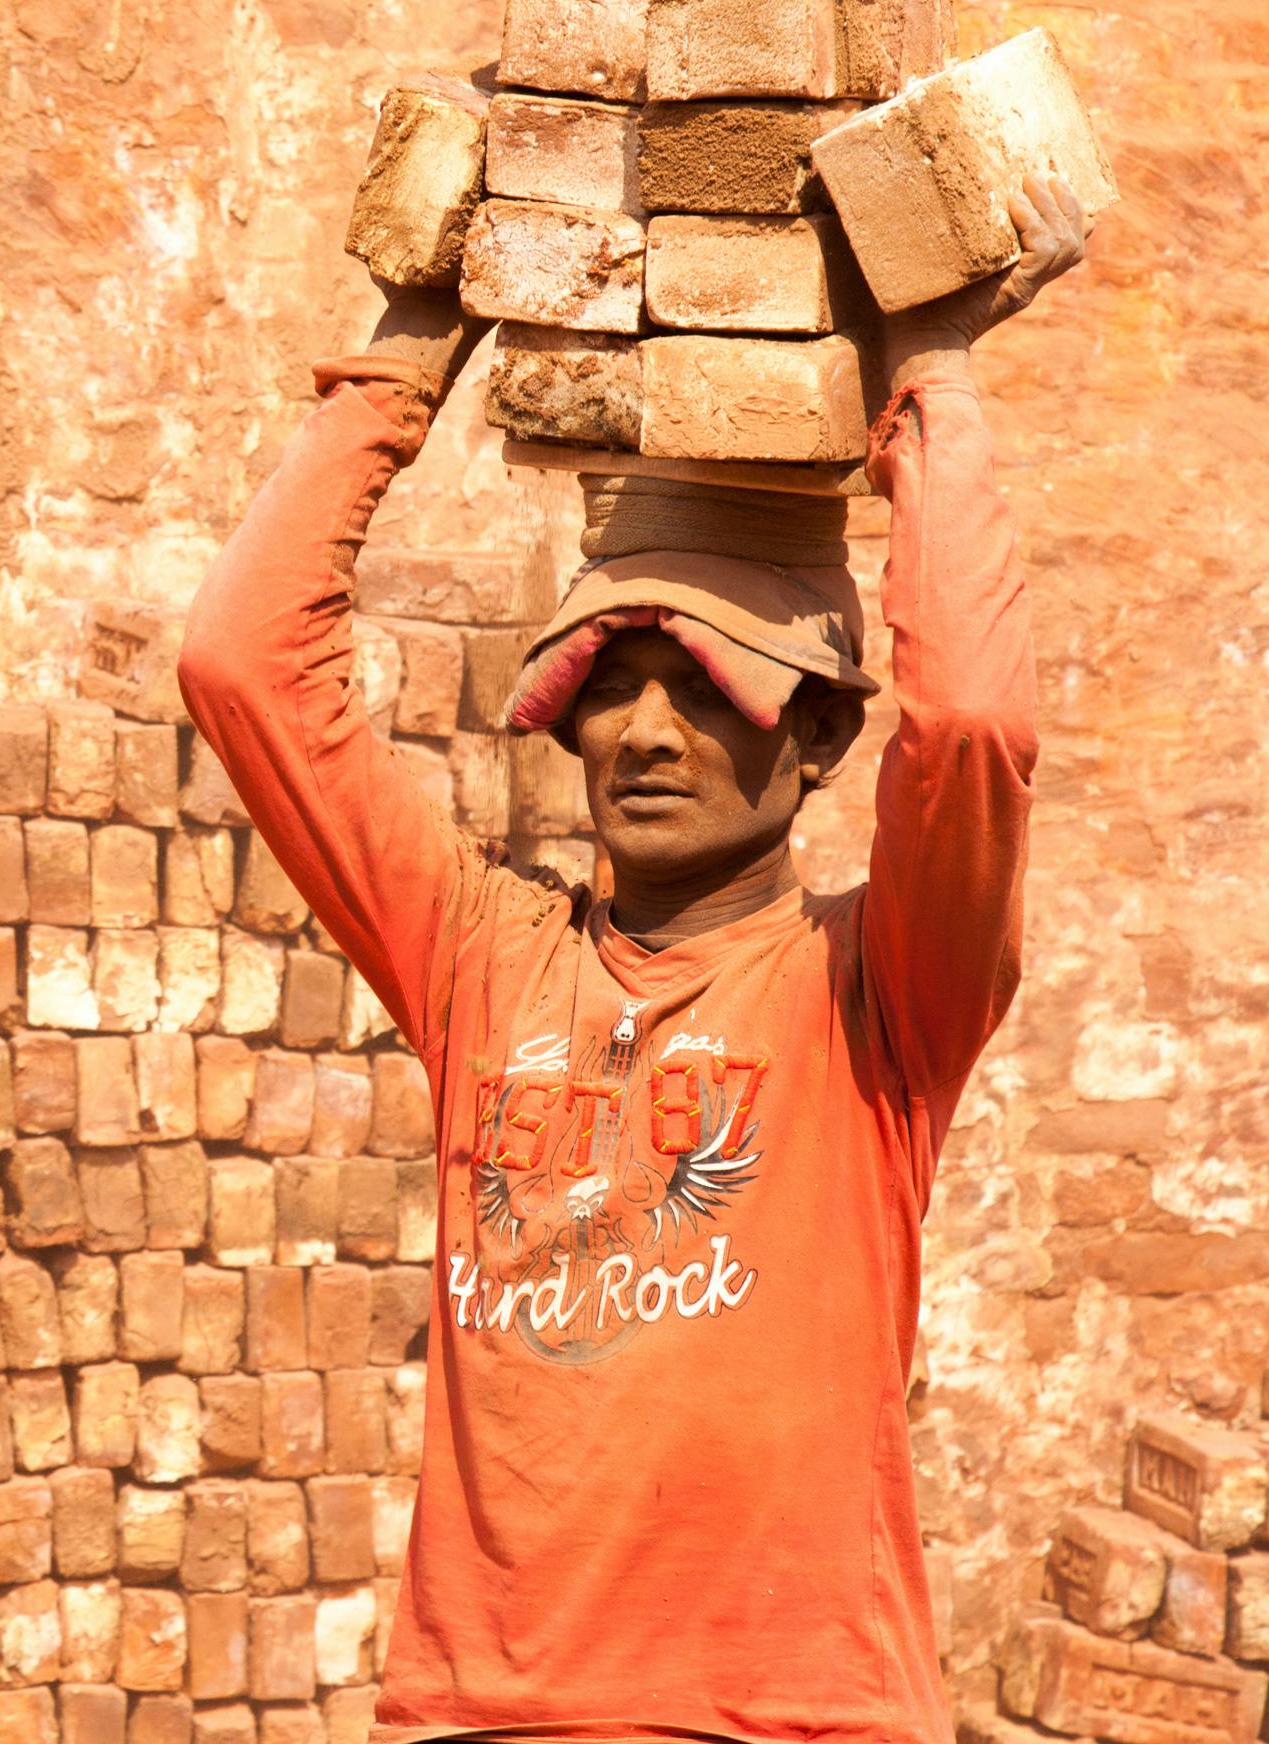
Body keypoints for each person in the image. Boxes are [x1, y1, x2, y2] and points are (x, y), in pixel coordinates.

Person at [175, 177, 1091, 1743]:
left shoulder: (878, 996)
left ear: (813, 742)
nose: (648, 733)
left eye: (711, 689)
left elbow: (977, 726)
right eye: (616, 681)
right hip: (481, 1716)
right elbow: (241, 659)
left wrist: (921, 363)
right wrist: (419, 336)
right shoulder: (481, 962)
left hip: (802, 1719)